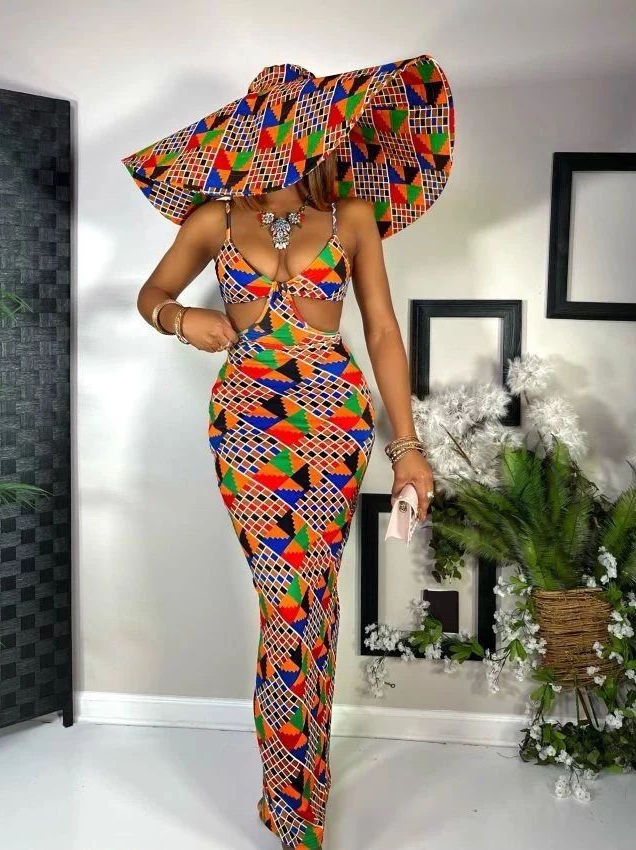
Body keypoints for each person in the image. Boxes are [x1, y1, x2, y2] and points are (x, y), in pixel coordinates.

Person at [122, 55, 454, 850]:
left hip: (334, 424)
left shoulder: (351, 216)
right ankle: (294, 805)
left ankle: (297, 795)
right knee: (288, 602)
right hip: (247, 424)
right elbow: (150, 295)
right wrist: (182, 321)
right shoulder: (215, 218)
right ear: (247, 132)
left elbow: (381, 331)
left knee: (315, 603)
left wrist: (407, 447)